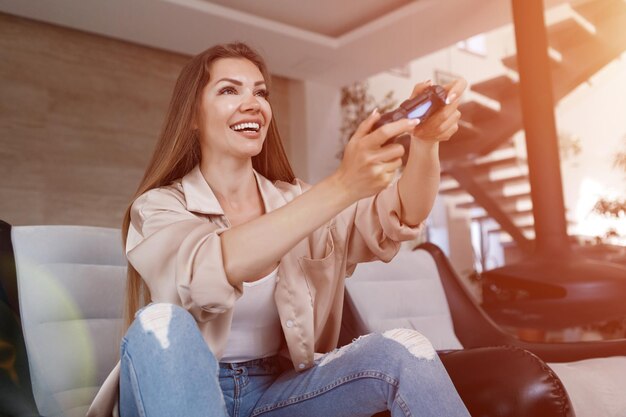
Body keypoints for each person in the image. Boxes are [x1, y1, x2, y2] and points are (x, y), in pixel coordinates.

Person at [87, 42, 469, 417]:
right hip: (175, 386)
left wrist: (425, 144)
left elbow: (399, 215)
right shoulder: (157, 207)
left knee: (403, 351)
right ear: (193, 116)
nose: (252, 102)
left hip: (274, 391)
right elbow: (207, 271)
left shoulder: (297, 201)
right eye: (229, 90)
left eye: (260, 92)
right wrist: (341, 186)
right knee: (161, 322)